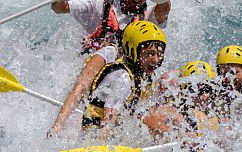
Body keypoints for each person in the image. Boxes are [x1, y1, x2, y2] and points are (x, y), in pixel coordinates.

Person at [47, 0, 170, 136]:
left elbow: (164, 6)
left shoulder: (147, 21)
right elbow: (59, 7)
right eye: (151, 54)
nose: (156, 59)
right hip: (95, 82)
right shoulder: (98, 7)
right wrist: (58, 125)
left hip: (123, 87)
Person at [76, 20, 167, 135]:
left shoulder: (145, 77)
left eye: (159, 54)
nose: (156, 60)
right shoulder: (122, 78)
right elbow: (106, 125)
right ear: (133, 51)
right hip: (93, 135)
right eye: (150, 53)